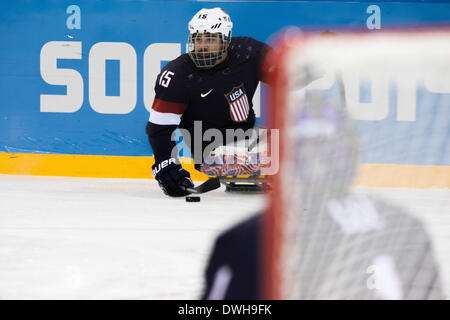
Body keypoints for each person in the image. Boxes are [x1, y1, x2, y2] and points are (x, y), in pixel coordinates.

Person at [201, 70, 445, 300]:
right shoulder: (403, 228)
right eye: (307, 153)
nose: (315, 166)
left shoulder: (241, 240)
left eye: (321, 153)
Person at [146, 7, 274, 197]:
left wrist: (310, 70)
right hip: (210, 153)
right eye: (198, 39)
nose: (202, 46)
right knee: (281, 159)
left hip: (249, 137)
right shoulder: (177, 75)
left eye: (210, 39)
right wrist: (166, 168)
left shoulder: (249, 52)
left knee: (300, 142)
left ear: (226, 40)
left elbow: (287, 76)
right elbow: (159, 129)